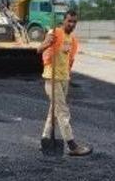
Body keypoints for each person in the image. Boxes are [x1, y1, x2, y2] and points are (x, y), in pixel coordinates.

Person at [38, 10, 92, 156]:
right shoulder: (55, 33)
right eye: (69, 21)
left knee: (54, 112)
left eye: (74, 22)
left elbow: (70, 61)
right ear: (64, 21)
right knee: (63, 111)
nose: (72, 24)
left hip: (63, 79)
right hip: (52, 78)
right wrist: (47, 43)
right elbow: (39, 50)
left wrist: (68, 77)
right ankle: (72, 145)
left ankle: (45, 139)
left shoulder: (73, 41)